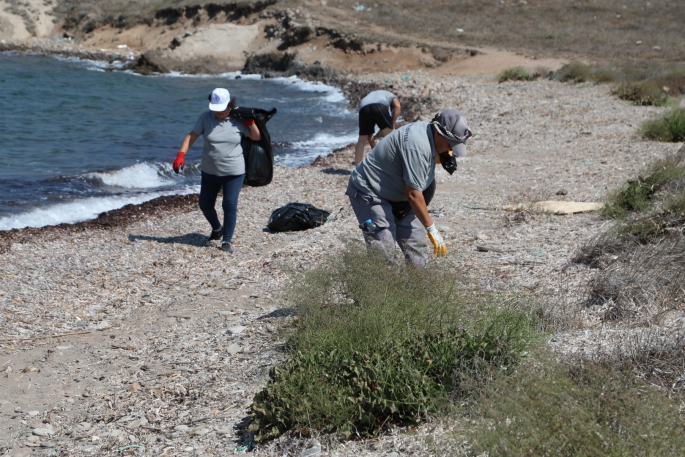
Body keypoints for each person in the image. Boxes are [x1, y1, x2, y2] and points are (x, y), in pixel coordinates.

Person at [346, 108, 472, 266]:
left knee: (417, 254)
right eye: (450, 144)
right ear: (439, 133)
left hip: (401, 195)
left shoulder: (432, 136)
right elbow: (413, 194)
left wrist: (443, 153)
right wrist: (431, 228)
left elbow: (417, 187)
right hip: (371, 190)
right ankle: (383, 289)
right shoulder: (417, 146)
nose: (450, 149)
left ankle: (418, 289)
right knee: (383, 255)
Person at [172, 88, 261, 253]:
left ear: (229, 104)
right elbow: (191, 136)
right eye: (215, 108)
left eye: (221, 108)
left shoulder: (239, 118)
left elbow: (256, 137)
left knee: (229, 205)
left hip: (234, 171)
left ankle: (227, 240)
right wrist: (181, 155)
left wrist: (251, 124)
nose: (217, 112)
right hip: (209, 170)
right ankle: (217, 229)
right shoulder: (206, 117)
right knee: (205, 205)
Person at [354, 90, 401, 165]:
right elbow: (397, 106)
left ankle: (357, 168)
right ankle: (397, 164)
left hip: (364, 106)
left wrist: (376, 153)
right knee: (391, 138)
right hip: (380, 104)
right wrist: (393, 122)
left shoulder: (372, 95)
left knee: (361, 141)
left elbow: (370, 135)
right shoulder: (393, 96)